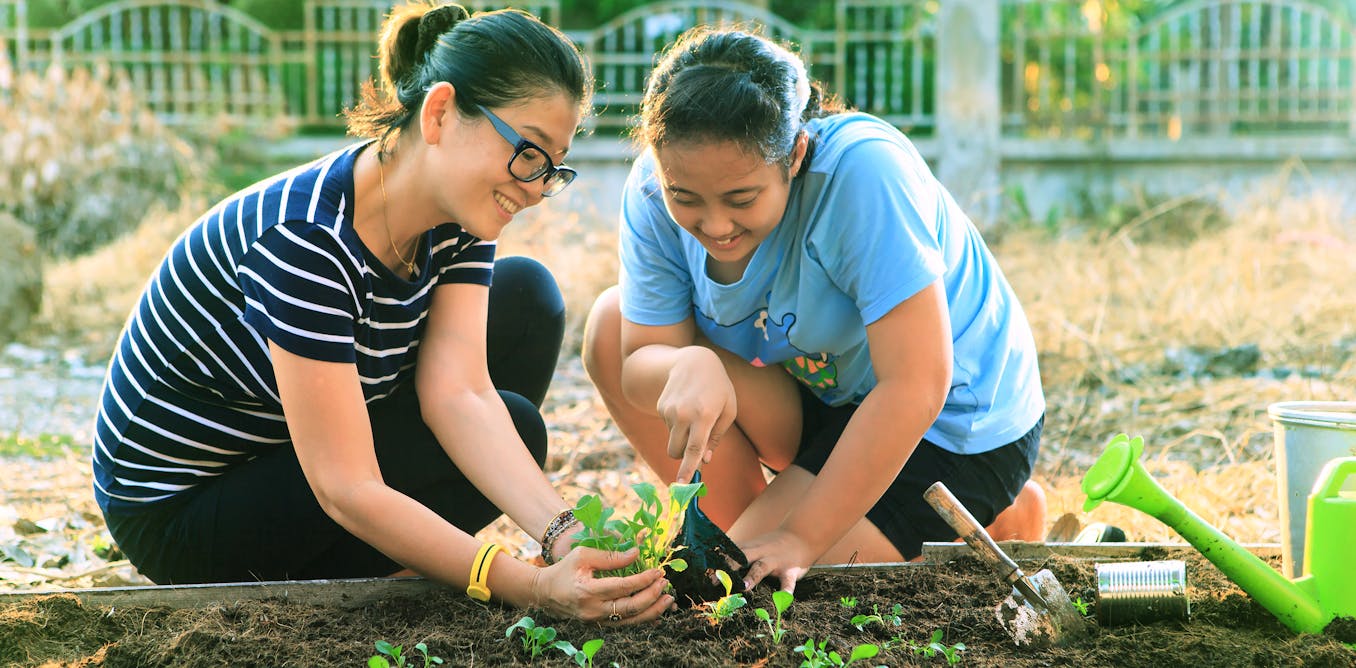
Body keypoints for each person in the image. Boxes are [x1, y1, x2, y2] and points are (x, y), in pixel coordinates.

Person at [92, 1, 671, 624]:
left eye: (551, 168)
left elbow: (461, 394)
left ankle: (397, 558)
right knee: (518, 426)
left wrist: (561, 534)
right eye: (527, 153)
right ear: (441, 113)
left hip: (291, 451)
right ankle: (384, 566)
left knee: (525, 303)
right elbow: (347, 487)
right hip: (188, 512)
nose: (533, 187)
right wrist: (523, 586)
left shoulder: (460, 215)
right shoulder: (305, 239)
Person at [583, 27, 1047, 593]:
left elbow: (917, 383)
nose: (715, 225)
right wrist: (684, 366)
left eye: (741, 198)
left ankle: (994, 515)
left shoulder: (864, 174)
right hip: (826, 395)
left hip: (950, 420)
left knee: (760, 580)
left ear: (796, 154)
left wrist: (800, 537)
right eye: (687, 198)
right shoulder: (654, 192)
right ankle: (759, 526)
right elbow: (634, 361)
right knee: (611, 325)